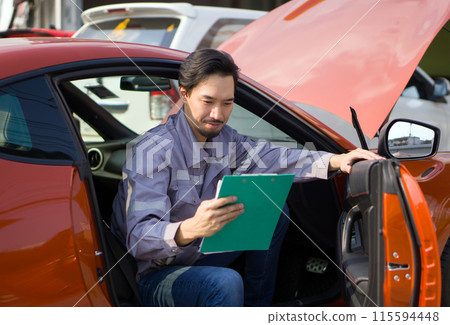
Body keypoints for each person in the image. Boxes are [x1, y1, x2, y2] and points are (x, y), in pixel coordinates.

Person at [110, 48, 382, 307]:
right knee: (225, 282)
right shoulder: (152, 150)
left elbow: (274, 158)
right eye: (208, 101)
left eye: (227, 103)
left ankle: (256, 308)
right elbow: (139, 238)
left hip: (201, 253)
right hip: (157, 275)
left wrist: (336, 160)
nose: (218, 114)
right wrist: (191, 228)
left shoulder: (226, 140)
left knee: (275, 211)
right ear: (184, 93)